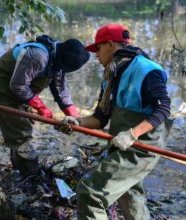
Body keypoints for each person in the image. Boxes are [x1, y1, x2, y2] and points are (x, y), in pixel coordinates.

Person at [60, 24, 172, 219]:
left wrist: (132, 134)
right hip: (121, 142)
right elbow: (100, 118)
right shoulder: (111, 76)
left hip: (143, 146)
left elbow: (163, 109)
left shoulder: (146, 69)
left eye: (98, 48)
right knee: (130, 196)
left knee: (90, 192)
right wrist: (76, 122)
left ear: (110, 45)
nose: (96, 55)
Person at [0, 35, 89, 178]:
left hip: (22, 85)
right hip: (4, 82)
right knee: (20, 129)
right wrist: (42, 108)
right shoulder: (38, 56)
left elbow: (61, 89)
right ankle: (31, 174)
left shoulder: (59, 59)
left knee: (21, 124)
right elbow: (18, 86)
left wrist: (76, 117)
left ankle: (17, 169)